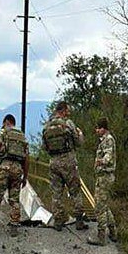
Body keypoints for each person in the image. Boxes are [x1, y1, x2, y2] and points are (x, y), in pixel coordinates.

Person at [42, 101, 87, 231]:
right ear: (62, 110)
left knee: (56, 193)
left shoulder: (47, 126)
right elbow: (78, 143)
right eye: (67, 110)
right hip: (68, 161)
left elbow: (44, 147)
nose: (69, 112)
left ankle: (58, 221)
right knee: (75, 190)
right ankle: (79, 221)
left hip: (54, 162)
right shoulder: (68, 124)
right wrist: (80, 134)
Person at [0, 114, 28, 238]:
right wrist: (25, 176)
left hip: (4, 168)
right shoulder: (22, 136)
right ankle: (14, 226)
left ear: (6, 122)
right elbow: (26, 158)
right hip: (17, 169)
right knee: (14, 198)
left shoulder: (3, 132)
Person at [87, 117, 117, 246]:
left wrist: (101, 161)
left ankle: (101, 237)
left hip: (105, 177)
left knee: (99, 206)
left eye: (98, 128)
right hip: (104, 177)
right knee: (104, 205)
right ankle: (113, 231)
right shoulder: (104, 140)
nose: (96, 130)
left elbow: (108, 157)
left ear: (103, 128)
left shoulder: (108, 140)